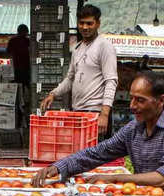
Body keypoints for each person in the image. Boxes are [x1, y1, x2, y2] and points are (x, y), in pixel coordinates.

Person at [32, 71, 164, 196]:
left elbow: (163, 179)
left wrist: (114, 178)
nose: (132, 106)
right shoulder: (134, 128)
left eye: (140, 100)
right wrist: (58, 166)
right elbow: (97, 153)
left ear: (161, 101)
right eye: (132, 98)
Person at [41, 4, 118, 138]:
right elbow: (70, 78)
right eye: (81, 23)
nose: (85, 27)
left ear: (98, 23)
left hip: (96, 113)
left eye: (89, 23)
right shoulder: (77, 48)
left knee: (96, 156)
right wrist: (53, 94)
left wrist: (104, 114)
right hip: (78, 112)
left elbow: (111, 81)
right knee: (79, 156)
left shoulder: (104, 46)